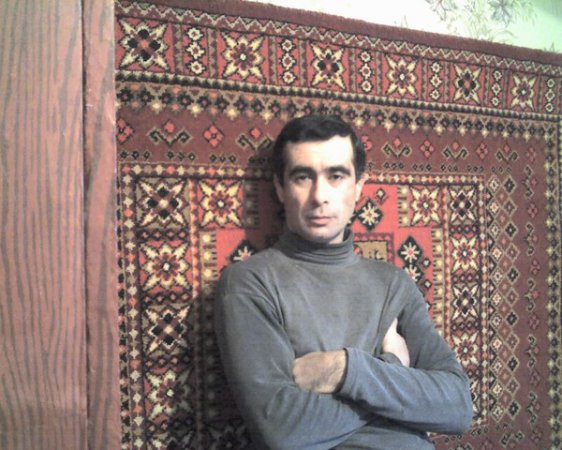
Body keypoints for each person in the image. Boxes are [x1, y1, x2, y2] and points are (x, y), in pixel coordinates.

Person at [214, 115, 473, 450]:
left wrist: (346, 369)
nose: (319, 196)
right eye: (303, 177)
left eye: (336, 176)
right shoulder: (250, 283)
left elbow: (457, 406)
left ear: (359, 186)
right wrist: (394, 367)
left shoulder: (393, 282)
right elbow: (284, 431)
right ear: (280, 188)